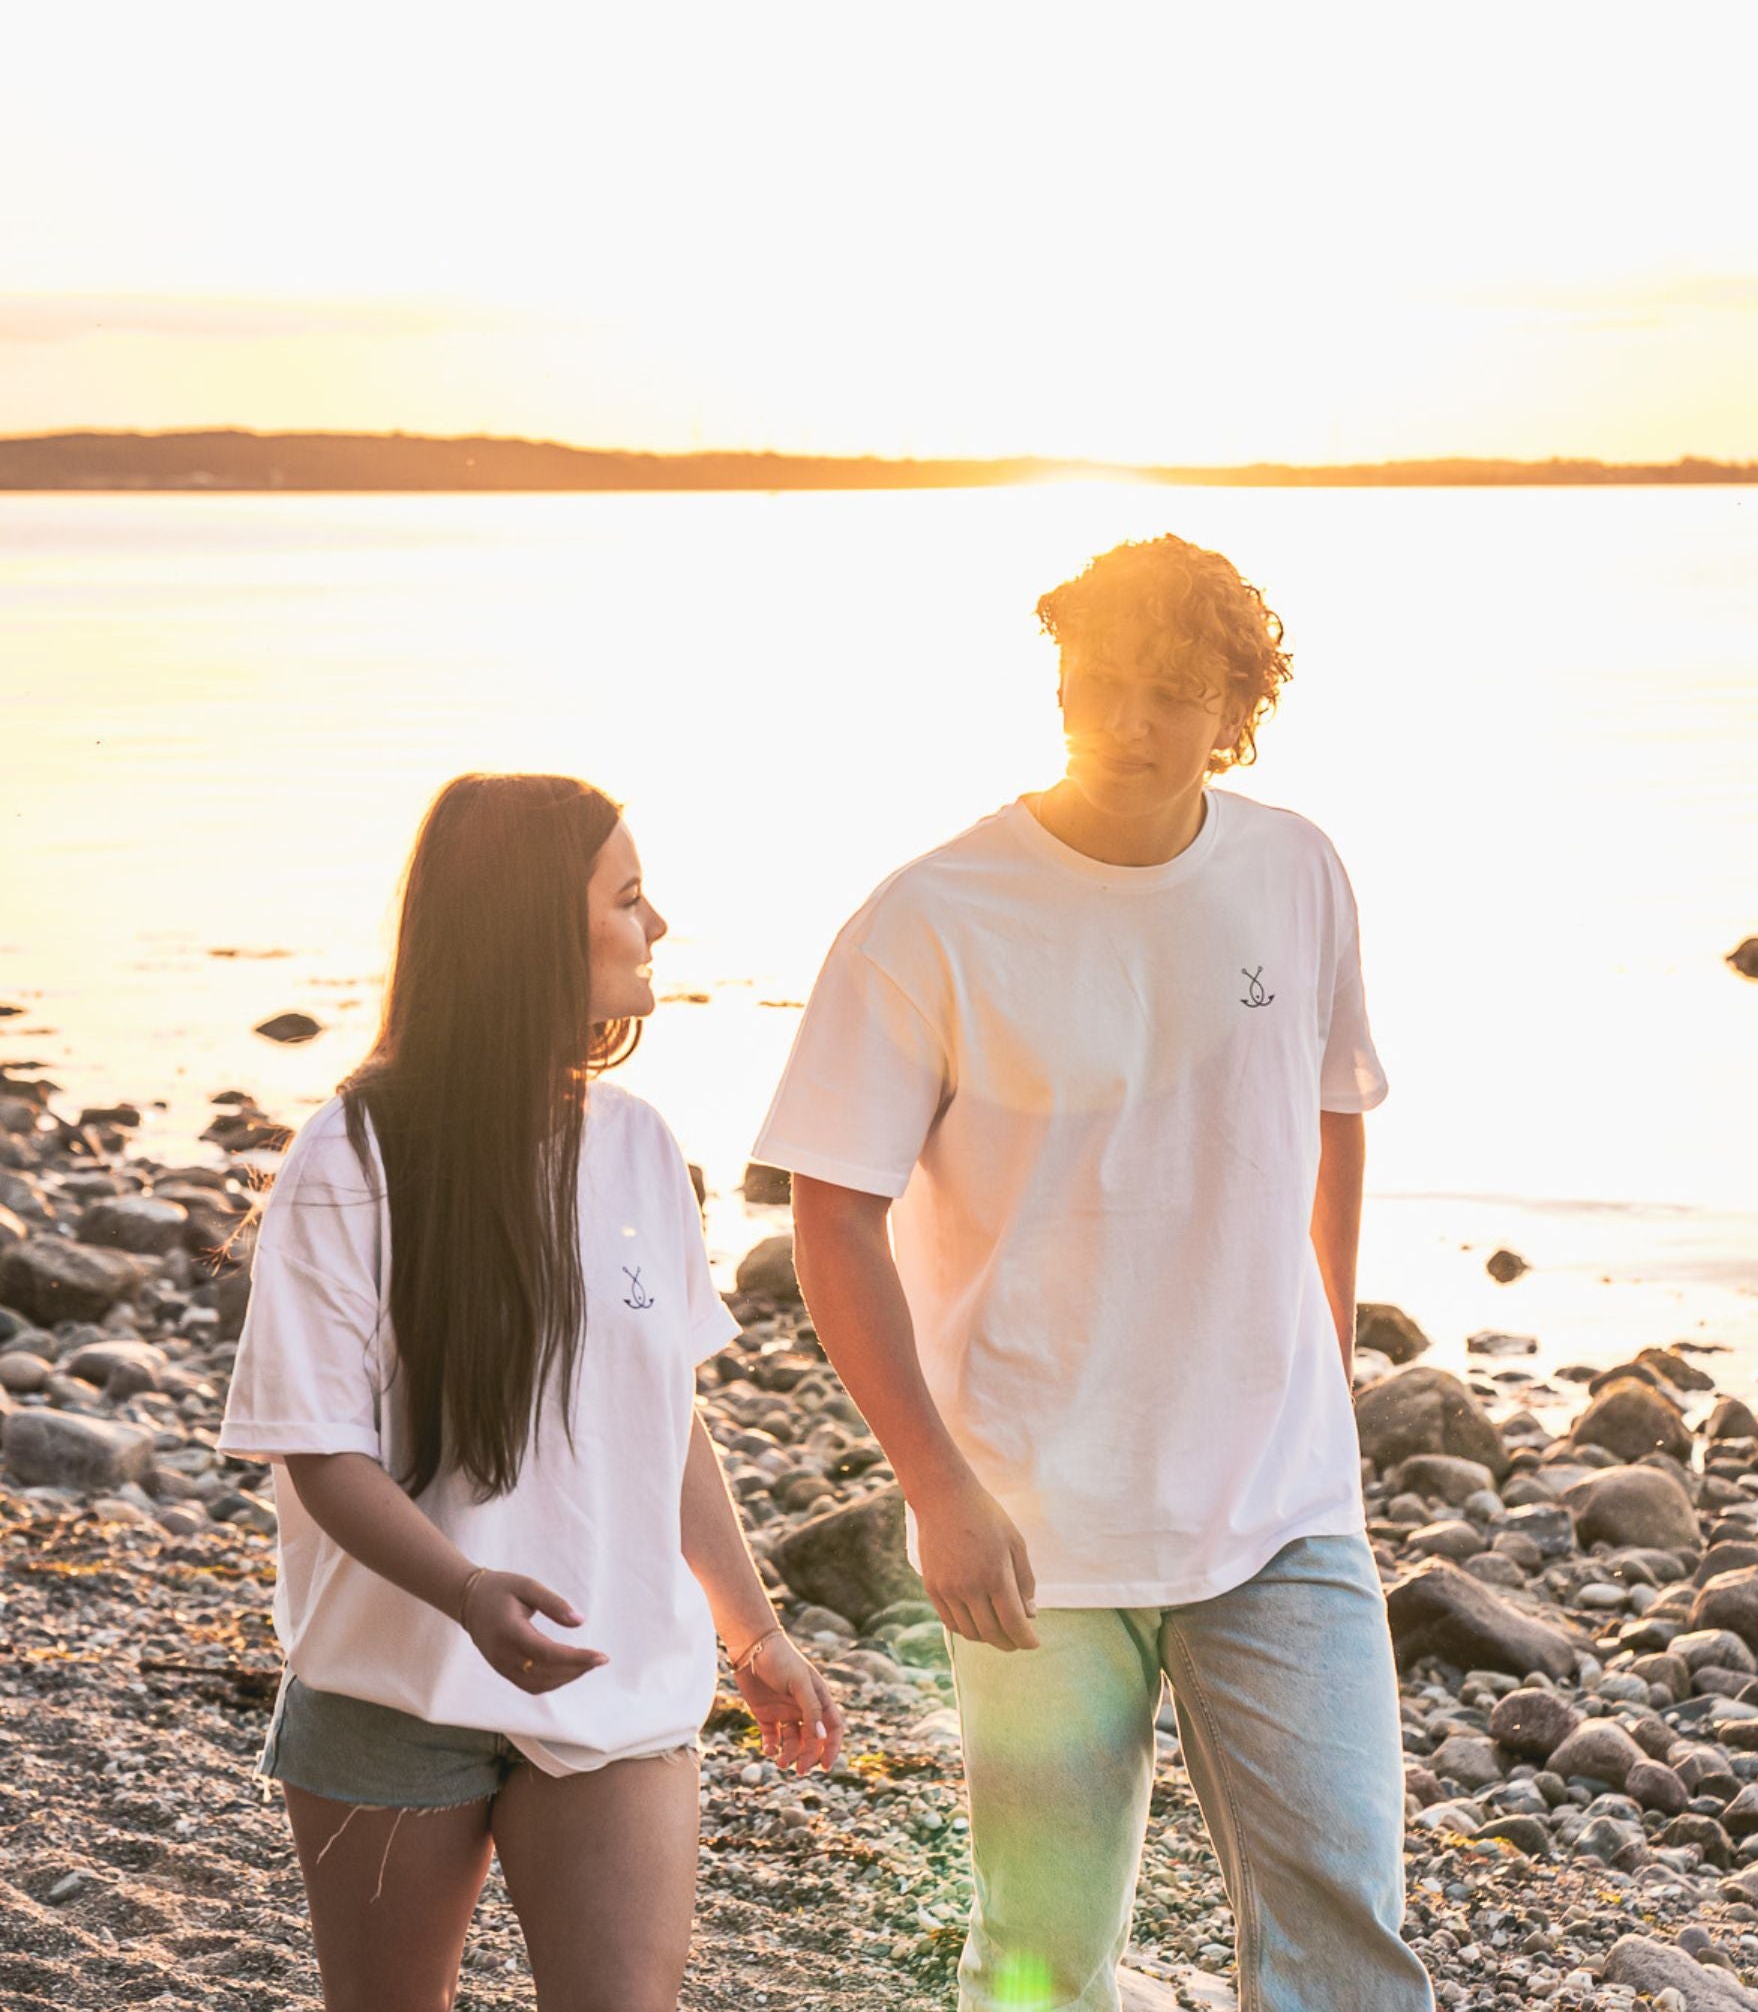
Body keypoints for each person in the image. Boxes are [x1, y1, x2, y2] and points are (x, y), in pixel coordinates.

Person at [752, 535, 1434, 2012]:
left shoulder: (1296, 868)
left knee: (1349, 1935)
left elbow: (1331, 1112)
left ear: (1235, 709)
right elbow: (830, 1214)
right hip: (1035, 1524)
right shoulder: (932, 916)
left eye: (1174, 695)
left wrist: (1325, 1355)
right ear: (1058, 678)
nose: (1130, 724)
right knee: (1044, 1960)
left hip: (1282, 1502)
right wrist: (936, 1488)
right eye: (1103, 685)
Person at [220, 772, 843, 2012]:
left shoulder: (640, 1143)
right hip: (391, 1685)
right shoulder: (351, 1155)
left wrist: (752, 1626)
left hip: (616, 1677)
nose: (655, 923)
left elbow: (665, 1415)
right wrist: (464, 1589)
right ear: (528, 931)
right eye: (625, 894)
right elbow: (318, 1448)